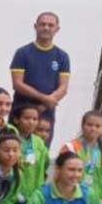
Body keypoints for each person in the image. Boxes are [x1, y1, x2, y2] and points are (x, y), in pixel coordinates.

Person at [10, 12, 70, 146]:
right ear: (35, 26)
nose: (46, 28)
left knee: (41, 151)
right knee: (15, 150)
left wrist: (45, 105)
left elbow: (63, 88)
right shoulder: (23, 53)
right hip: (21, 111)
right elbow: (17, 84)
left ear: (57, 29)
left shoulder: (62, 56)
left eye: (50, 25)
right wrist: (45, 99)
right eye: (42, 24)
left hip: (46, 113)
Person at [60, 110, 102, 204]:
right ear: (82, 126)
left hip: (96, 202)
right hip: (72, 200)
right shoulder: (70, 147)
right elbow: (60, 175)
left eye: (98, 126)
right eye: (89, 124)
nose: (93, 128)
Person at [10, 104, 49, 204]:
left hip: (32, 196)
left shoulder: (39, 142)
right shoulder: (10, 139)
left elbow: (44, 167)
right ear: (16, 120)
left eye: (35, 119)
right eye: (27, 118)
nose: (31, 122)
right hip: (13, 197)